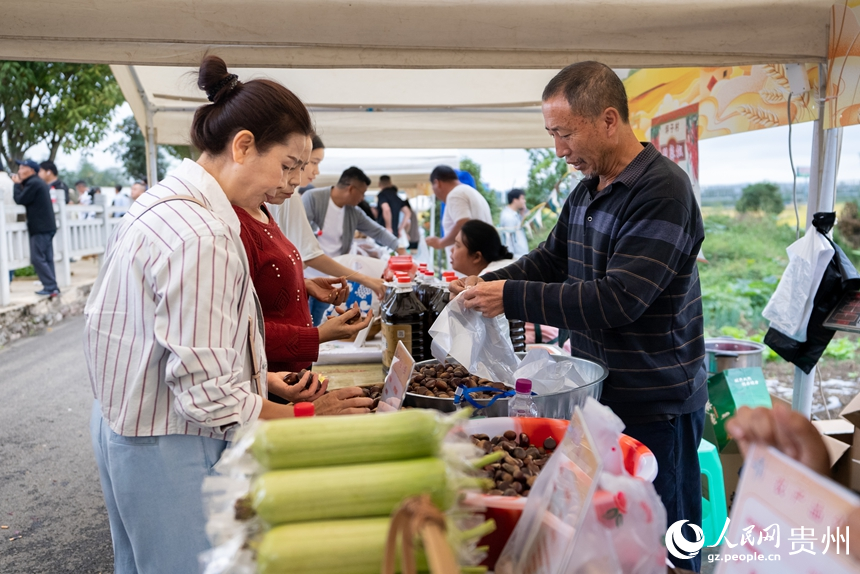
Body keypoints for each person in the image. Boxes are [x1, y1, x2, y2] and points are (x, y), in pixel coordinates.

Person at [85, 55, 372, 574]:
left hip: (130, 427)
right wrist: (307, 417)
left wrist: (260, 374)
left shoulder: (166, 203)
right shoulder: (203, 234)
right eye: (287, 166)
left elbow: (169, 337)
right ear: (242, 146)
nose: (290, 186)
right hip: (170, 443)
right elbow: (209, 397)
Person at [451, 61, 707, 571]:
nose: (559, 150)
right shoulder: (587, 190)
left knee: (664, 539)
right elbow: (551, 260)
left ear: (609, 120)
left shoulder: (663, 191)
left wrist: (513, 296)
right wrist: (488, 284)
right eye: (552, 134)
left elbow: (618, 300)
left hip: (657, 401)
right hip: (601, 394)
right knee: (612, 538)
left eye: (564, 134)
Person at [231, 132, 373, 400]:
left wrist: (302, 285)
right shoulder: (233, 224)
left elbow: (261, 286)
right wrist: (318, 334)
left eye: (302, 166)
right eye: (288, 166)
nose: (297, 178)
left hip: (285, 372)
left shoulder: (262, 209)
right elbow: (241, 328)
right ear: (244, 150)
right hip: (269, 377)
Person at [270, 137, 386, 325]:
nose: (316, 171)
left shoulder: (352, 212)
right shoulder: (297, 198)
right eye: (311, 163)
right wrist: (366, 279)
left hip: (307, 283)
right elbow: (309, 254)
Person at [302, 166, 402, 324]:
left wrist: (400, 248)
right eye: (362, 193)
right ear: (351, 189)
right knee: (306, 325)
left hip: (333, 280)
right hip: (306, 277)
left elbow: (377, 231)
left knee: (322, 327)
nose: (362, 198)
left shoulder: (353, 212)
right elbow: (302, 241)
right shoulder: (312, 199)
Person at [451, 220, 569, 350]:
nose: (451, 250)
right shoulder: (495, 274)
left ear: (477, 256)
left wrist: (509, 295)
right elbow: (547, 260)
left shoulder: (487, 278)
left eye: (457, 245)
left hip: (539, 344)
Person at [424, 165, 492, 264]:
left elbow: (463, 224)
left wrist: (440, 243)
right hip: (479, 260)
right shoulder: (470, 191)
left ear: (437, 183)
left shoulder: (455, 194)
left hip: (468, 265)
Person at [12, 158, 59, 297]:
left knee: (38, 258)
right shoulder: (38, 182)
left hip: (40, 228)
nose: (19, 170)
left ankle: (50, 286)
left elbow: (20, 200)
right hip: (47, 226)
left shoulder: (33, 183)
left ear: (31, 170)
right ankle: (53, 287)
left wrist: (16, 185)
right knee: (47, 258)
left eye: (22, 168)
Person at [376, 175, 412, 240]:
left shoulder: (382, 195)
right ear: (391, 183)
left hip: (384, 231)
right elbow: (407, 212)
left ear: (379, 184)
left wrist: (388, 227)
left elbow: (386, 209)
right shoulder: (396, 197)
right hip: (395, 233)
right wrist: (400, 229)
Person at [499, 188, 529, 259]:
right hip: (516, 258)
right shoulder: (508, 217)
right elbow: (508, 241)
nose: (524, 201)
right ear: (515, 200)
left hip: (520, 256)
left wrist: (522, 214)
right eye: (522, 198)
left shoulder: (514, 214)